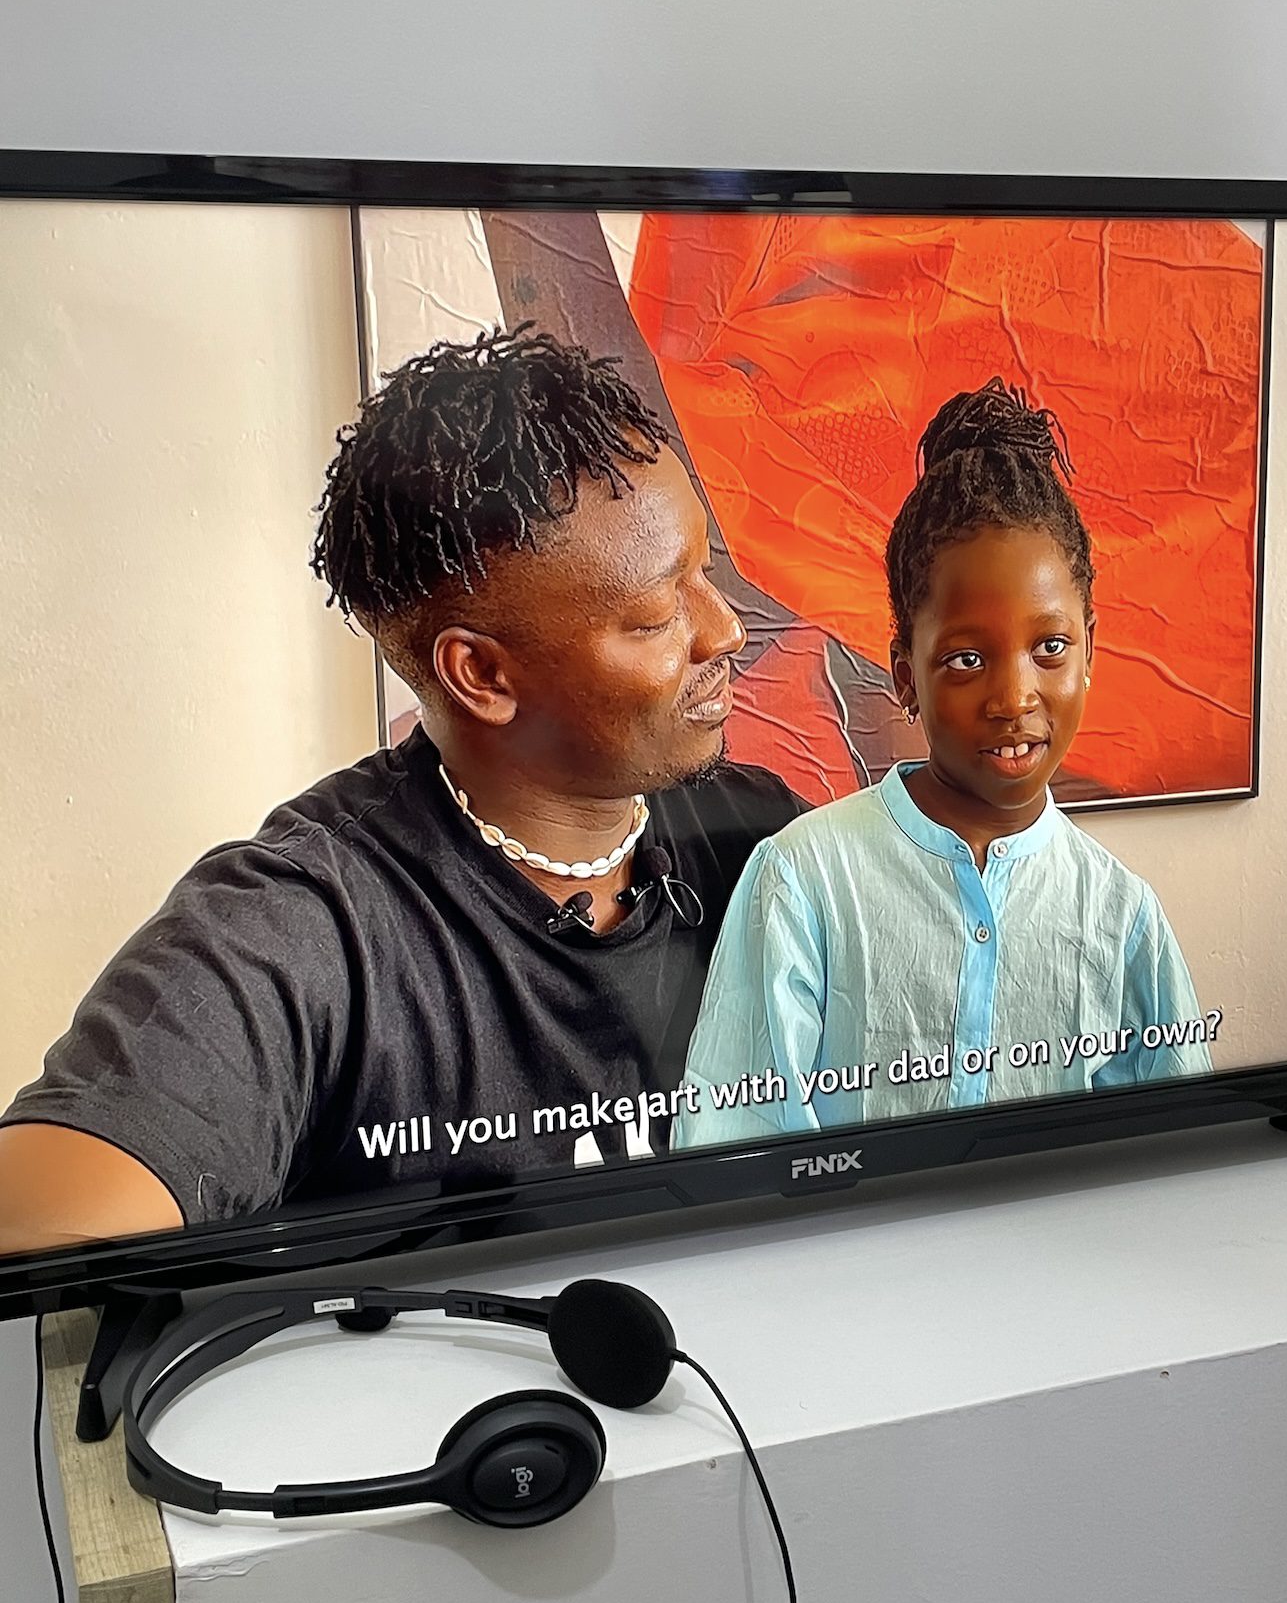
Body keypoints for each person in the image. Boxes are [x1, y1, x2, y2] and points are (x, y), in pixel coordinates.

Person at [0, 327, 803, 1256]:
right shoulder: (305, 927)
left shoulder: (762, 839)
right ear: (482, 676)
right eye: (659, 613)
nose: (726, 630)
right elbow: (40, 1223)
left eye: (707, 571)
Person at [673, 378, 1212, 1148]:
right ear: (904, 673)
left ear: (1089, 650)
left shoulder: (1122, 918)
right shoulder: (805, 879)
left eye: (1050, 647)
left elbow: (1173, 1163)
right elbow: (733, 1146)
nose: (1014, 695)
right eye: (965, 658)